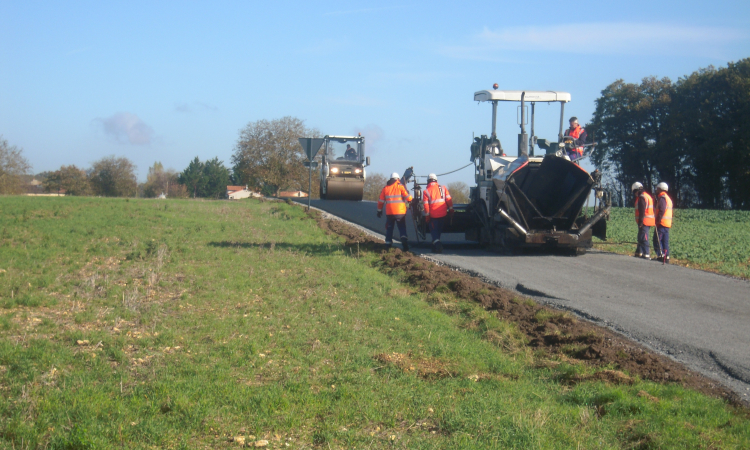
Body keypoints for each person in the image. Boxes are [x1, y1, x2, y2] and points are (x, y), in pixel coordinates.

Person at [377, 172, 413, 250]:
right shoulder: (400, 186)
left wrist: (379, 210)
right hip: (400, 212)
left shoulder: (385, 188)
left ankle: (388, 244)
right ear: (398, 179)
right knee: (402, 227)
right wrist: (411, 199)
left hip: (390, 213)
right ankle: (404, 240)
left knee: (389, 228)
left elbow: (380, 201)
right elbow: (408, 198)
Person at [422, 173, 454, 253]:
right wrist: (451, 210)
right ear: (436, 180)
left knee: (434, 231)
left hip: (433, 215)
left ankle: (438, 245)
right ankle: (434, 247)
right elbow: (449, 200)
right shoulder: (443, 188)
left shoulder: (426, 191)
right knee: (438, 230)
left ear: (428, 181)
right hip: (443, 213)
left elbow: (426, 206)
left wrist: (427, 216)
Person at [632, 182, 655, 259]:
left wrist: (641, 222)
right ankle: (639, 252)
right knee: (640, 236)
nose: (634, 194)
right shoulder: (647, 196)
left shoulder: (642, 197)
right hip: (647, 221)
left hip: (644, 221)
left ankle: (646, 253)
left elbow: (642, 211)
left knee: (644, 237)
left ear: (637, 190)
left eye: (634, 191)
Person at [652, 182, 673, 262]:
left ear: (660, 189)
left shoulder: (662, 198)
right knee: (665, 241)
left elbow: (661, 210)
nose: (656, 190)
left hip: (661, 223)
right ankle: (666, 257)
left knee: (657, 240)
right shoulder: (668, 198)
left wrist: (657, 220)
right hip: (667, 224)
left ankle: (661, 256)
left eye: (657, 189)